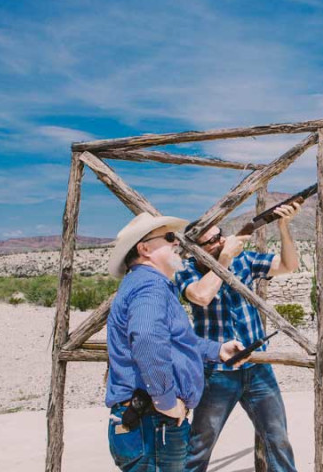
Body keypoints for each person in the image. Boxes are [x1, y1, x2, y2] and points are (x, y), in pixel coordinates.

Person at [105, 212, 244, 472]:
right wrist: (166, 402)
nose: (177, 243)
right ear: (144, 249)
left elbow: (171, 342)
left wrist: (217, 349)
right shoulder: (150, 287)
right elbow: (146, 339)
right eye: (169, 237)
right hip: (154, 424)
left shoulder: (146, 284)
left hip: (150, 424)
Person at [177, 202, 302, 472]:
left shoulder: (243, 261)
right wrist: (223, 261)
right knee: (200, 446)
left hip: (257, 367)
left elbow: (288, 265)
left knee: (277, 439)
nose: (221, 240)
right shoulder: (187, 271)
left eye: (220, 234)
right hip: (216, 371)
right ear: (196, 250)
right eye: (211, 241)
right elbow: (201, 295)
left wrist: (283, 226)